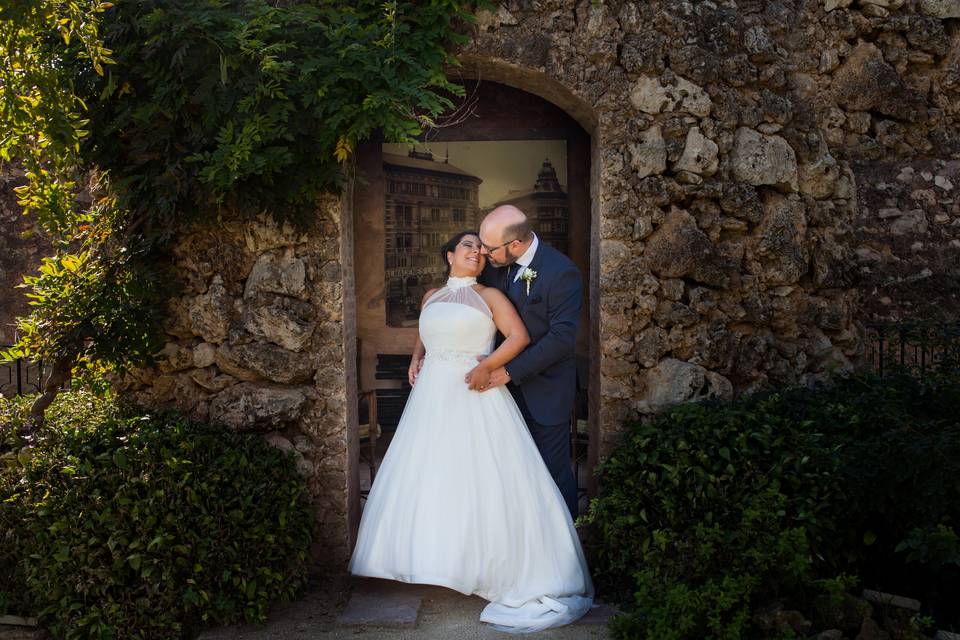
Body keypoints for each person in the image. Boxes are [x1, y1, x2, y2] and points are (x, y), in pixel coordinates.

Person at [349, 231, 593, 633]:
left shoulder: (491, 296)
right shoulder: (431, 296)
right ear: (449, 255)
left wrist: (488, 366)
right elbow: (427, 330)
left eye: (481, 248)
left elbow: (520, 337)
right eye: (468, 246)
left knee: (478, 476)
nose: (477, 252)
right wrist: (416, 357)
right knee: (431, 475)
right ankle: (435, 562)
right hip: (431, 397)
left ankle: (484, 567)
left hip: (474, 390)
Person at [467, 205, 582, 519]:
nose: (484, 254)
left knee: (552, 474)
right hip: (499, 395)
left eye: (489, 249)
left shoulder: (562, 272)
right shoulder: (495, 266)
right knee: (509, 475)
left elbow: (562, 339)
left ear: (514, 244)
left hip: (545, 392)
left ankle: (565, 553)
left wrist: (507, 370)